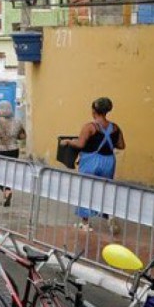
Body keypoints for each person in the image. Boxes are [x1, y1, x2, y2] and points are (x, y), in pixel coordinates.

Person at [61, 97, 125, 232]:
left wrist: (68, 141)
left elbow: (80, 144)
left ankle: (85, 223)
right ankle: (109, 215)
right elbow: (121, 145)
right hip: (109, 161)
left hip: (91, 160)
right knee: (105, 189)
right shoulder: (115, 127)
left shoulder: (90, 127)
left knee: (86, 189)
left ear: (94, 110)